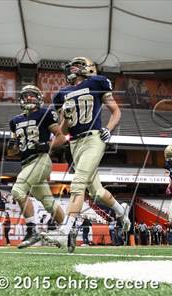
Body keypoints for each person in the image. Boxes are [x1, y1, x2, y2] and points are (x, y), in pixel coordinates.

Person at [43, 56, 129, 252]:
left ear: (87, 68)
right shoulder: (62, 94)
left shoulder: (97, 82)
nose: (71, 69)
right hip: (74, 143)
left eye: (76, 66)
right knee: (96, 192)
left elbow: (115, 111)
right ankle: (121, 210)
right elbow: (64, 130)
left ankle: (66, 231)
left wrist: (108, 128)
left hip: (93, 139)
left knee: (78, 183)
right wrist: (64, 118)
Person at [9, 85, 67, 249]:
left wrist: (47, 145)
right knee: (48, 202)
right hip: (26, 163)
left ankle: (32, 231)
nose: (29, 98)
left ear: (39, 98)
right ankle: (68, 231)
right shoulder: (15, 121)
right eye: (26, 96)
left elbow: (61, 138)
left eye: (32, 96)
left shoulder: (44, 114)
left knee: (18, 190)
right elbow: (13, 151)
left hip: (41, 160)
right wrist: (12, 146)